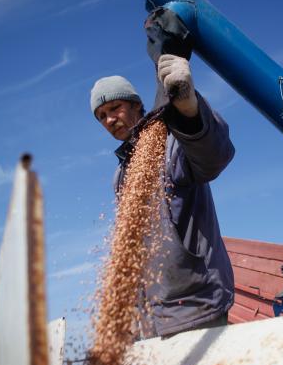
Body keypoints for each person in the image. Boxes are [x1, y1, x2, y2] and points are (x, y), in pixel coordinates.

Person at [90, 54, 235, 338]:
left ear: (135, 104)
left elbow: (214, 155)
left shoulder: (172, 143)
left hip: (196, 304)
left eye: (115, 107)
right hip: (152, 319)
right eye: (101, 116)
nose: (109, 119)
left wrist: (191, 110)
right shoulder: (121, 175)